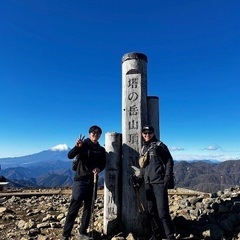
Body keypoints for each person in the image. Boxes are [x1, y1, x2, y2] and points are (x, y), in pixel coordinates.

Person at [62, 125, 106, 240]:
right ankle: (65, 235)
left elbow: (103, 163)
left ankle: (82, 232)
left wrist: (99, 169)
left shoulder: (101, 150)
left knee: (89, 207)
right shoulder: (83, 144)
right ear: (89, 134)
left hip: (92, 181)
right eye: (93, 133)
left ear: (100, 135)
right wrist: (77, 147)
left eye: (97, 134)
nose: (95, 135)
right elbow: (70, 155)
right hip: (80, 180)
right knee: (74, 207)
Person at [136, 125, 175, 240]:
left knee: (162, 212)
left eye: (149, 133)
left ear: (153, 133)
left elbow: (169, 161)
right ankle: (157, 234)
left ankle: (169, 236)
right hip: (148, 184)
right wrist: (139, 178)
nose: (147, 135)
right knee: (151, 211)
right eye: (145, 133)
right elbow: (144, 167)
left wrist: (167, 176)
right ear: (142, 134)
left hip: (159, 183)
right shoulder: (144, 148)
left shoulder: (160, 146)